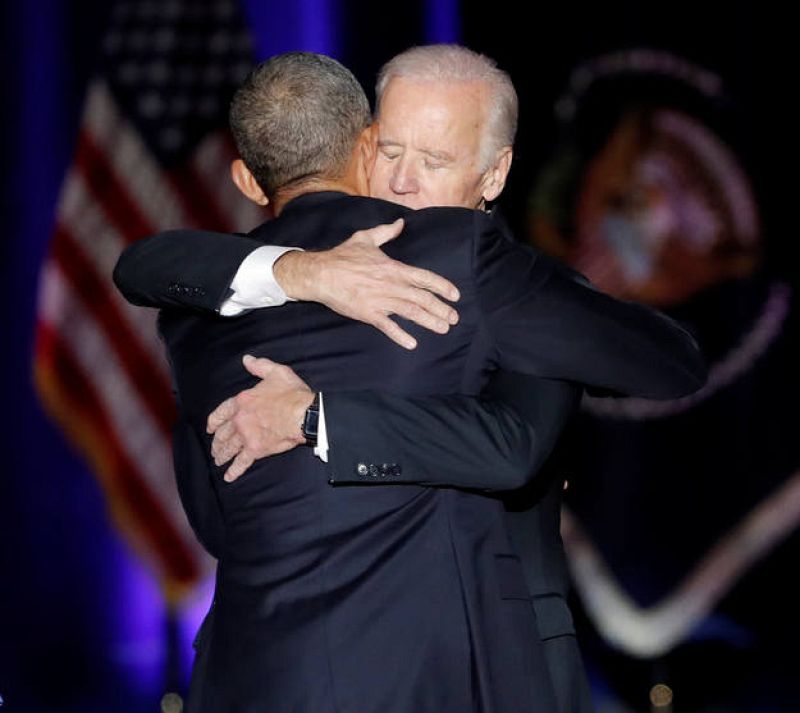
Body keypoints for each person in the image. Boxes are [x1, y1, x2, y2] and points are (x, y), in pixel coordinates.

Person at [115, 47, 707, 713]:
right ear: (365, 142)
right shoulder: (285, 280)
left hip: (334, 668)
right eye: (391, 151)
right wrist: (301, 272)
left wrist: (316, 417)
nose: (400, 181)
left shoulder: (203, 317)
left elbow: (633, 381)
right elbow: (142, 264)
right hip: (442, 666)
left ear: (496, 172)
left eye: (434, 160)